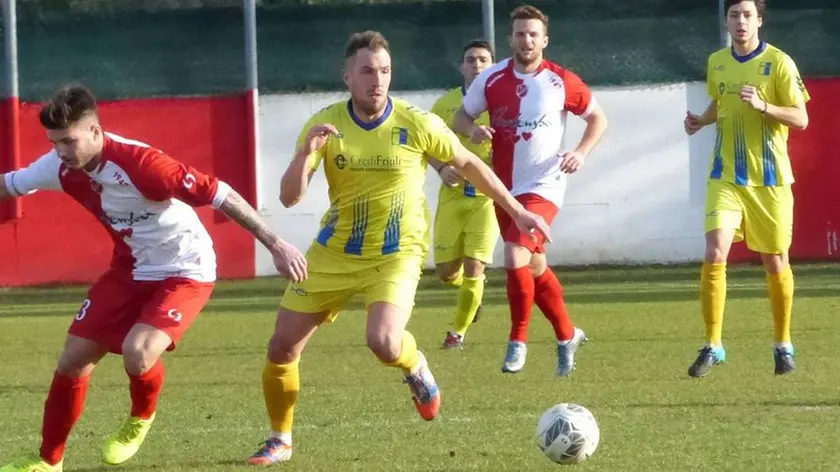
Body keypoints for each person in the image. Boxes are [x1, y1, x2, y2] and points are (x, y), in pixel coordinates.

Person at [246, 30, 551, 466]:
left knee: (384, 342)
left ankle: (414, 365)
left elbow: (469, 163)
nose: (378, 80)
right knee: (281, 347)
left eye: (385, 71)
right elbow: (289, 197)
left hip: (396, 253)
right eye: (367, 71)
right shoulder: (326, 124)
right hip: (334, 252)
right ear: (347, 76)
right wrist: (304, 155)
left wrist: (517, 211)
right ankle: (280, 439)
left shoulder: (415, 121)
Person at [0, 85, 307, 472]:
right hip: (129, 269)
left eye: (68, 141)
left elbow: (220, 193)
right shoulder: (59, 166)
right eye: (54, 142)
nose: (60, 151)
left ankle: (140, 416)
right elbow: (9, 184)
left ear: (95, 131)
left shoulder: (144, 165)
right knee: (73, 360)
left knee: (138, 351)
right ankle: (48, 461)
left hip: (185, 269)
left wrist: (276, 244)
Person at [452, 5, 608, 376]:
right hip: (504, 189)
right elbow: (461, 116)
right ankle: (567, 334)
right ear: (511, 39)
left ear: (545, 40)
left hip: (544, 185)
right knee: (534, 266)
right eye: (521, 34)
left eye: (533, 34)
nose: (527, 40)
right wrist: (472, 130)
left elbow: (597, 118)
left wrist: (580, 152)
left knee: (514, 253)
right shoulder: (491, 78)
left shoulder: (560, 80)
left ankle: (517, 340)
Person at [683, 0, 809, 378]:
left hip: (770, 180)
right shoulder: (717, 62)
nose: (741, 21)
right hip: (725, 176)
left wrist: (764, 106)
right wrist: (701, 120)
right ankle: (713, 345)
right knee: (714, 251)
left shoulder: (779, 63)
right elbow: (720, 102)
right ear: (726, 21)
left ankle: (783, 344)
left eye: (748, 15)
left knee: (775, 262)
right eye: (734, 15)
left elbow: (801, 117)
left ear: (759, 21)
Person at [426, 39, 498, 349]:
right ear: (462, 66)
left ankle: (457, 333)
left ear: (493, 66)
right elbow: (426, 146)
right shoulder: (444, 105)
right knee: (446, 272)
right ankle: (473, 294)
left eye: (483, 59)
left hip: (486, 199)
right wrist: (442, 168)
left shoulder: (503, 104)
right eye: (471, 60)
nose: (477, 65)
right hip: (452, 197)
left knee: (474, 265)